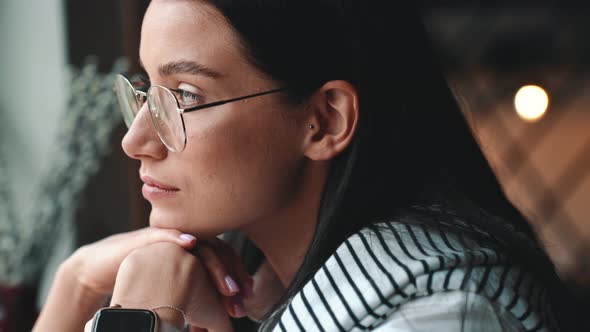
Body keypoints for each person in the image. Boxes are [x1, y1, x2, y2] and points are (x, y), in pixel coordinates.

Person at [32, 0, 586, 331]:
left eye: (187, 96)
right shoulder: (258, 290)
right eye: (147, 90)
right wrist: (75, 283)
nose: (136, 140)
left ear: (323, 120)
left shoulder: (442, 317)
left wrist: (137, 318)